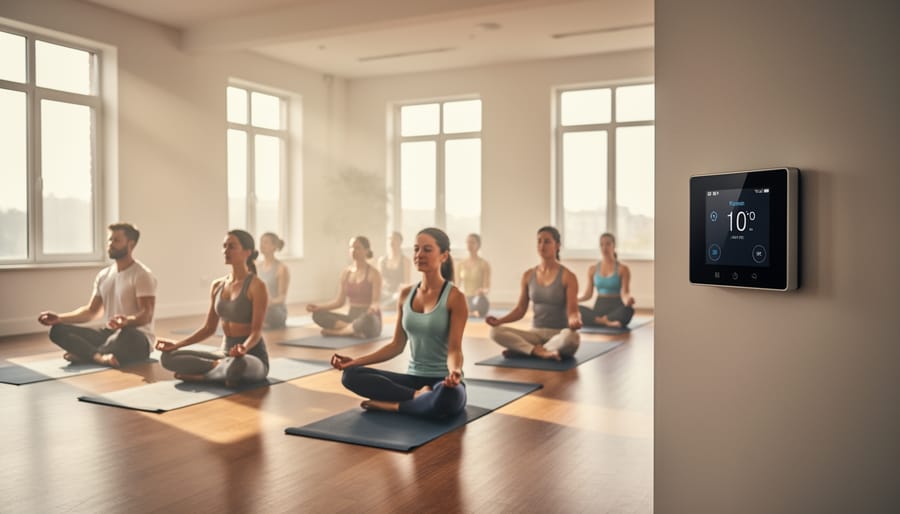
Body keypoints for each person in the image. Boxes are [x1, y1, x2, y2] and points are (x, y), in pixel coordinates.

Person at [330, 227, 467, 418]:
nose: (419, 254)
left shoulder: (455, 297)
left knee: (448, 398)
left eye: (427, 250)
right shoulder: (405, 295)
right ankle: (417, 397)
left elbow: (454, 349)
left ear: (444, 256)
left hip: (443, 381)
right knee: (350, 375)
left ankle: (394, 406)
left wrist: (455, 373)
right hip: (412, 381)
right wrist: (355, 362)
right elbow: (396, 345)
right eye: (416, 249)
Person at [155, 230, 269, 387]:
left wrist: (243, 348)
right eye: (224, 246)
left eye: (232, 247)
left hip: (251, 356)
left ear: (247, 252)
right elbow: (208, 328)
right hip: (224, 354)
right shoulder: (217, 285)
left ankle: (203, 377)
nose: (225, 251)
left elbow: (256, 332)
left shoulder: (257, 286)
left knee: (237, 365)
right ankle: (218, 370)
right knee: (167, 358)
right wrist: (176, 345)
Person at [37, 223, 157, 368]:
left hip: (135, 338)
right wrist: (59, 318)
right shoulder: (104, 275)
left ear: (130, 244)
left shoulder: (142, 275)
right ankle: (98, 356)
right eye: (110, 240)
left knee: (126, 335)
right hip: (109, 334)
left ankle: (84, 353)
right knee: (57, 330)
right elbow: (92, 312)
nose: (111, 244)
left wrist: (126, 322)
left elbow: (146, 314)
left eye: (116, 240)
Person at [485, 226, 581, 360]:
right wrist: (499, 321)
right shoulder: (528, 275)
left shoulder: (568, 276)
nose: (542, 245)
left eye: (547, 241)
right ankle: (537, 351)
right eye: (539, 241)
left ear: (557, 245)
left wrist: (575, 320)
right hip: (535, 335)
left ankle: (525, 350)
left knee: (572, 338)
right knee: (495, 332)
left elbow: (573, 311)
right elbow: (520, 310)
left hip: (558, 335)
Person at [307, 236, 383, 338]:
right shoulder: (346, 273)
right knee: (318, 315)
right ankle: (351, 329)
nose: (353, 250)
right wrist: (319, 307)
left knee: (368, 321)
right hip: (352, 317)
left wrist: (373, 308)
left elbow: (376, 302)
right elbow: (339, 302)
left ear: (366, 250)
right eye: (351, 247)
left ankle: (339, 332)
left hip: (368, 317)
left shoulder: (374, 273)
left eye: (357, 248)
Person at [578, 232, 635, 328]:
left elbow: (625, 293)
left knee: (629, 310)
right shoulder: (593, 269)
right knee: (576, 309)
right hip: (599, 306)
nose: (605, 248)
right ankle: (607, 322)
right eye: (602, 244)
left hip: (616, 306)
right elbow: (588, 294)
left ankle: (599, 321)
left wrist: (628, 299)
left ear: (614, 246)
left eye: (608, 244)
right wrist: (573, 300)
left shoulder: (623, 269)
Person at [258, 232, 290, 329]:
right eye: (261, 242)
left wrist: (270, 302)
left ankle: (260, 322)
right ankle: (259, 322)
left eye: (266, 242)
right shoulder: (257, 266)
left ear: (274, 246)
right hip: (260, 308)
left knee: (268, 311)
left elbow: (282, 298)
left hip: (275, 310)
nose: (262, 245)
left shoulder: (281, 268)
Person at [456, 233, 491, 317]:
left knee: (482, 305)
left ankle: (469, 312)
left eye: (472, 242)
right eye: (468, 242)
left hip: (477, 298)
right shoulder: (460, 264)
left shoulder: (484, 264)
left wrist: (482, 291)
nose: (469, 245)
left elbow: (486, 288)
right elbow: (457, 285)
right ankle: (470, 312)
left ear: (478, 245)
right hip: (465, 298)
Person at [378, 231, 411, 309]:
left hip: (398, 292)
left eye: (395, 239)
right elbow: (379, 281)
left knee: (398, 297)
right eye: (390, 239)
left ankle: (390, 306)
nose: (392, 242)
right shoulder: (382, 260)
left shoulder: (405, 261)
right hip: (385, 292)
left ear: (400, 242)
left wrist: (401, 290)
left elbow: (407, 282)